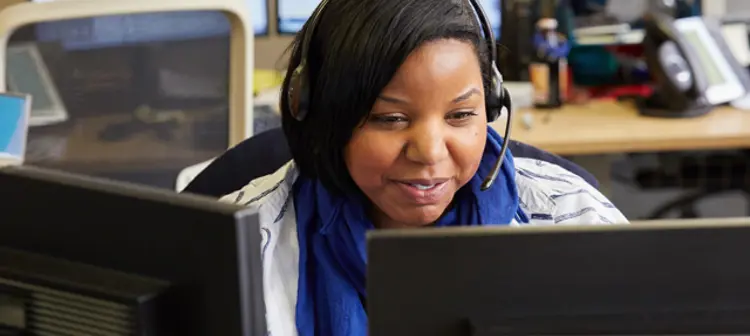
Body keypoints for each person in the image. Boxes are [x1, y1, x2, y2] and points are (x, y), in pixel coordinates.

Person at [220, 0, 628, 334]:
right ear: (318, 114)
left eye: (461, 115)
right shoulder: (243, 249)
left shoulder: (572, 219)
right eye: (391, 119)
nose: (430, 153)